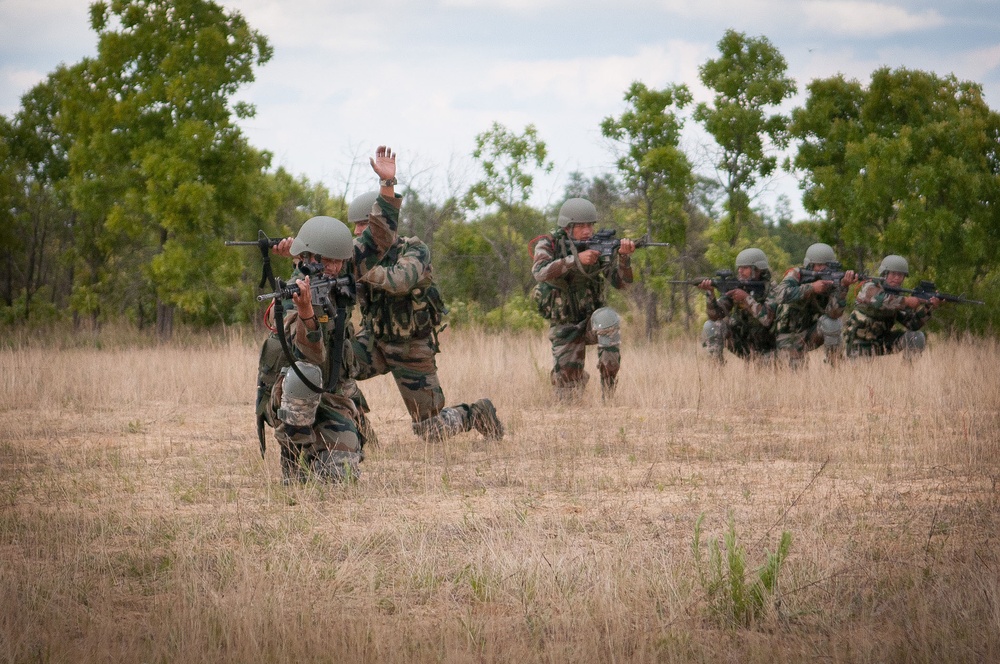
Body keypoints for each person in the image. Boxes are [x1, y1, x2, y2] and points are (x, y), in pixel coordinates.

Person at [262, 145, 400, 483]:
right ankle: (293, 458)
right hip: (294, 394)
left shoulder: (342, 268)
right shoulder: (297, 293)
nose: (334, 267)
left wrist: (388, 184)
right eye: (325, 261)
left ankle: (325, 447)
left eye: (338, 261)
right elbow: (310, 357)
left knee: (340, 479)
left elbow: (379, 237)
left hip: (334, 392)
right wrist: (308, 315)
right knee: (302, 379)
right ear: (309, 257)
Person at [346, 190, 504, 442]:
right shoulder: (357, 260)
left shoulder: (415, 249)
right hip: (374, 340)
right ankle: (358, 436)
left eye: (363, 224)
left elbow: (400, 280)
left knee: (431, 430)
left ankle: (476, 414)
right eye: (355, 226)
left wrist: (363, 272)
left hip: (411, 346)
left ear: (383, 225)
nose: (357, 233)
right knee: (333, 368)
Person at [531, 197, 635, 400]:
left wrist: (624, 258)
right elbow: (539, 272)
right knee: (568, 394)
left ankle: (609, 392)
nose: (588, 230)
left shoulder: (599, 246)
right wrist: (575, 260)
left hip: (592, 322)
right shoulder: (550, 243)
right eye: (581, 226)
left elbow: (622, 284)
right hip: (565, 325)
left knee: (607, 319)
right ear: (568, 227)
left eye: (590, 225)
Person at [770, 242, 858, 368]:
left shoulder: (832, 279)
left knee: (832, 323)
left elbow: (834, 313)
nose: (824, 269)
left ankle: (836, 366)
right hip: (789, 337)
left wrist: (843, 287)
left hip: (812, 333)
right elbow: (779, 295)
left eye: (827, 265)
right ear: (810, 265)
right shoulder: (796, 274)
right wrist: (811, 288)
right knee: (794, 376)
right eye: (820, 265)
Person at [843, 254, 940, 359]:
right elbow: (880, 302)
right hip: (859, 344)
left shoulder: (898, 298)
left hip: (881, 343)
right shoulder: (870, 287)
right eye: (893, 274)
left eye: (900, 275)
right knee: (862, 373)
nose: (897, 278)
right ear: (884, 274)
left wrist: (928, 307)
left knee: (916, 337)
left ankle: (908, 371)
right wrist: (907, 301)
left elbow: (913, 324)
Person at [699, 247, 777, 363]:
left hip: (769, 350)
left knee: (767, 371)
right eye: (739, 268)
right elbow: (715, 316)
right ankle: (715, 371)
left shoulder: (773, 289)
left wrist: (746, 298)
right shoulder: (737, 286)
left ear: (758, 269)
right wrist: (710, 294)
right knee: (711, 325)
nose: (740, 271)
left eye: (745, 268)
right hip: (744, 344)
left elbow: (767, 319)